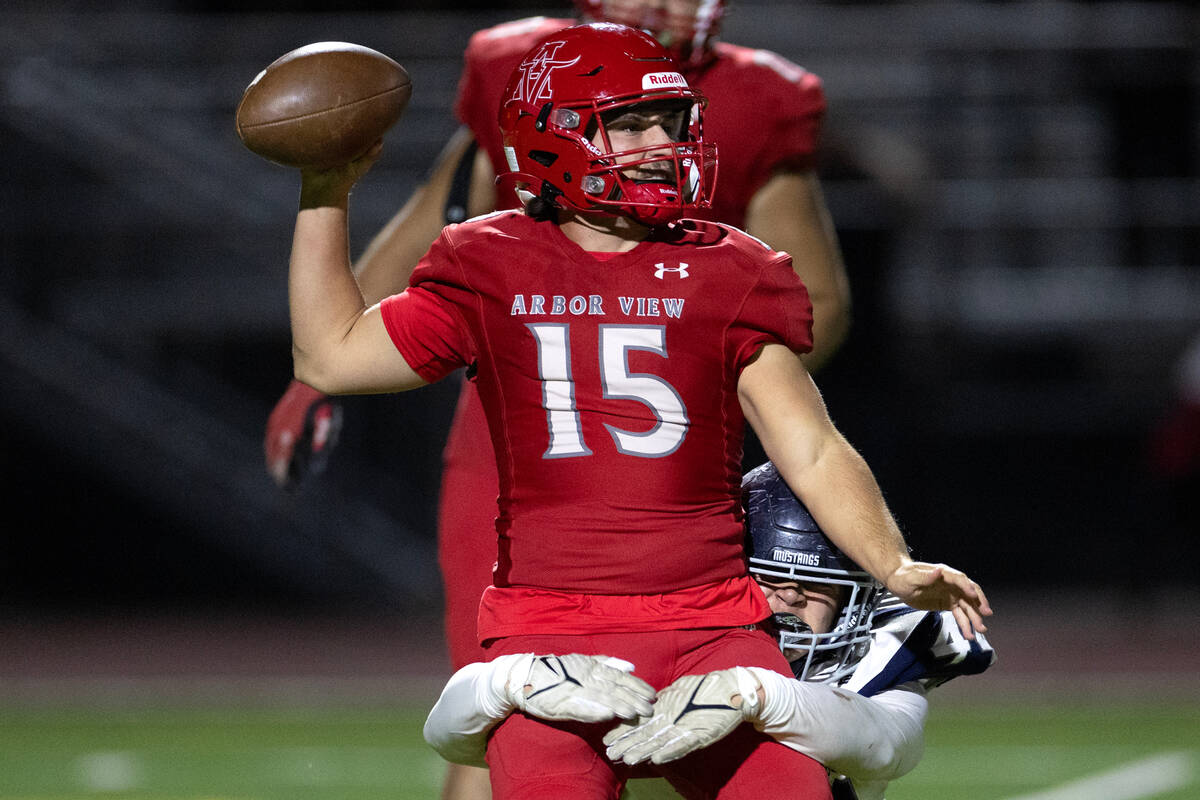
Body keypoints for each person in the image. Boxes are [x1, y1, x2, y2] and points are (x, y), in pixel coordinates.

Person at [284, 22, 989, 799]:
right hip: (549, 635)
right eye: (630, 124)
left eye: (671, 121)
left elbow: (810, 447)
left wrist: (892, 564)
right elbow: (332, 356)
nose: (661, 142)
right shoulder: (486, 259)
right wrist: (325, 194)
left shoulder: (731, 265)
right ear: (555, 136)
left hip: (715, 631)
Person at [423, 461, 996, 800]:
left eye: (820, 587)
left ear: (860, 602)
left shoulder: (884, 649)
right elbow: (452, 736)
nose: (791, 597)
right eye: (769, 579)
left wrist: (755, 692)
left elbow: (887, 746)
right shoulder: (666, 632)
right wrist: (509, 681)